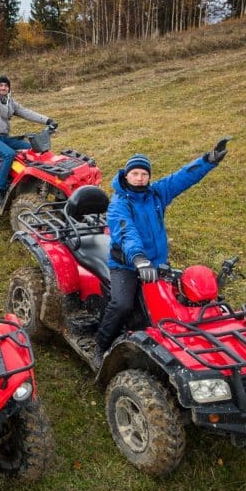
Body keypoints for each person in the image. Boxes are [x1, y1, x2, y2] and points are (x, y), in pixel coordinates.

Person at [93, 139, 230, 368]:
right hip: (126, 265)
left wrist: (209, 161)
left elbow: (182, 178)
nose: (140, 178)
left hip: (156, 263)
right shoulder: (119, 204)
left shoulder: (156, 194)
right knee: (122, 305)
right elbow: (127, 233)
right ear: (126, 176)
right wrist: (138, 258)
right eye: (135, 173)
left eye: (144, 174)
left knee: (180, 303)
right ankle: (100, 345)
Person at [0, 58, 56, 204]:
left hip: (3, 138)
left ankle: (31, 182)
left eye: (6, 86)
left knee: (32, 148)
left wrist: (47, 120)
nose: (3, 88)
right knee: (8, 154)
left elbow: (25, 112)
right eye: (1, 85)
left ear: (9, 88)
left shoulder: (10, 102)